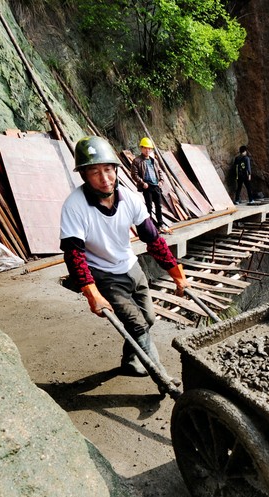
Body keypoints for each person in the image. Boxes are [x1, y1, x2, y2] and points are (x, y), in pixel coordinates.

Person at [61, 136, 189, 387]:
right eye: (95, 172)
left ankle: (130, 362)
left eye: (108, 169)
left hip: (131, 266)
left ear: (116, 169)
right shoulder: (74, 206)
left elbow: (154, 240)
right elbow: (74, 255)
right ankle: (162, 378)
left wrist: (177, 274)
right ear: (84, 175)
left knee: (148, 319)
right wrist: (92, 294)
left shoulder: (130, 198)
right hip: (103, 273)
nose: (105, 178)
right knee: (139, 326)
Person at [130, 136, 170, 234]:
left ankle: (160, 224)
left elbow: (160, 172)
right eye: (145, 148)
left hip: (156, 186)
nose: (147, 150)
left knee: (158, 206)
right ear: (141, 148)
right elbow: (134, 174)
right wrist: (142, 183)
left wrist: (161, 181)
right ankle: (150, 225)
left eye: (149, 148)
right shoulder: (137, 161)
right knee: (148, 207)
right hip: (147, 187)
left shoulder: (153, 160)